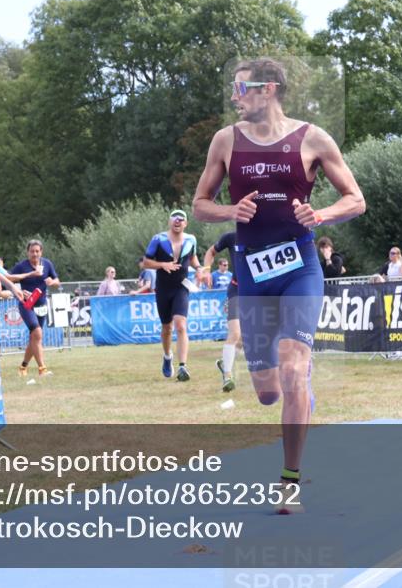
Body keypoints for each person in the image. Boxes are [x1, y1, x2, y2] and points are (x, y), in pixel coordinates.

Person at [192, 57, 365, 514]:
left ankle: (289, 481)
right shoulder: (225, 141)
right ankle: (297, 387)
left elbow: (356, 198)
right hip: (251, 275)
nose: (234, 97)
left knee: (292, 371)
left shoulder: (312, 138)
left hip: (299, 268)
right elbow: (200, 204)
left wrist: (322, 214)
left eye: (240, 88)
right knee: (269, 391)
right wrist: (231, 213)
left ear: (267, 90)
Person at [144, 209, 201, 382]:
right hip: (163, 288)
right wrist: (162, 265)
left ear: (186, 223)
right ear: (170, 222)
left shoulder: (191, 239)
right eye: (175, 218)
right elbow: (145, 262)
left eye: (181, 219)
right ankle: (167, 357)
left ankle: (183, 366)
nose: (178, 221)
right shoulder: (158, 239)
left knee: (181, 325)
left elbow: (193, 258)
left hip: (181, 286)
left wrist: (199, 269)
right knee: (166, 328)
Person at [9, 239, 61, 378]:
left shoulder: (47, 263)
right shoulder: (21, 266)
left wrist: (52, 282)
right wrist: (20, 289)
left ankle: (23, 367)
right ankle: (42, 369)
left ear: (41, 252)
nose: (35, 254)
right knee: (37, 333)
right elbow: (9, 279)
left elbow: (57, 281)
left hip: (41, 304)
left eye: (37, 251)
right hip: (27, 304)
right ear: (28, 252)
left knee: (35, 338)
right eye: (32, 251)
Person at [203, 231, 240, 392]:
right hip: (236, 290)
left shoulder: (265, 235)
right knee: (235, 333)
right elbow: (211, 251)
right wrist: (206, 269)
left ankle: (225, 363)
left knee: (245, 339)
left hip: (256, 291)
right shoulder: (231, 237)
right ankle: (227, 376)